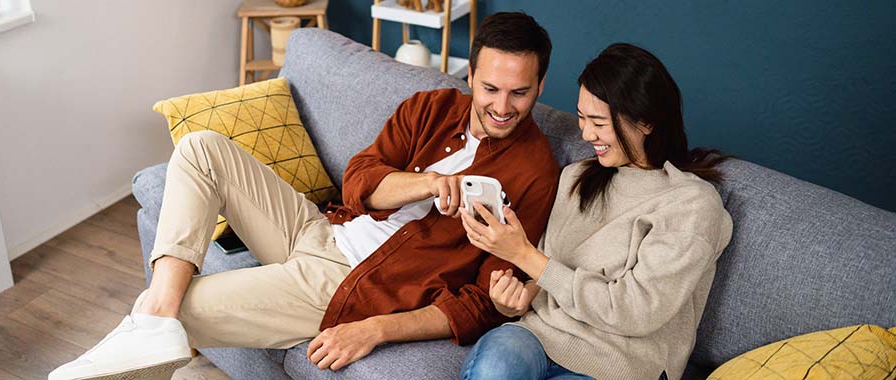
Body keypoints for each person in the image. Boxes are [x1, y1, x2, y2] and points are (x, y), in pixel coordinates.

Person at [49, 12, 560, 380]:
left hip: (346, 285)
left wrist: (377, 329)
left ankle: (151, 323)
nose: (502, 106)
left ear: (539, 86)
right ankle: (155, 322)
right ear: (470, 75)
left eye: (520, 93)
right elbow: (360, 179)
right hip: (321, 226)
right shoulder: (433, 106)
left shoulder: (536, 171)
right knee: (203, 148)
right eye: (490, 88)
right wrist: (424, 183)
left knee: (171, 309)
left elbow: (482, 304)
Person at [457, 43, 734, 380]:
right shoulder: (576, 177)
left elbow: (636, 311)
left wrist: (524, 255)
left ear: (646, 121)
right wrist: (515, 299)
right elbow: (546, 278)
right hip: (539, 336)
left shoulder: (691, 203)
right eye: (581, 118)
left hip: (621, 363)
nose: (586, 134)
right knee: (494, 369)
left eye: (598, 123)